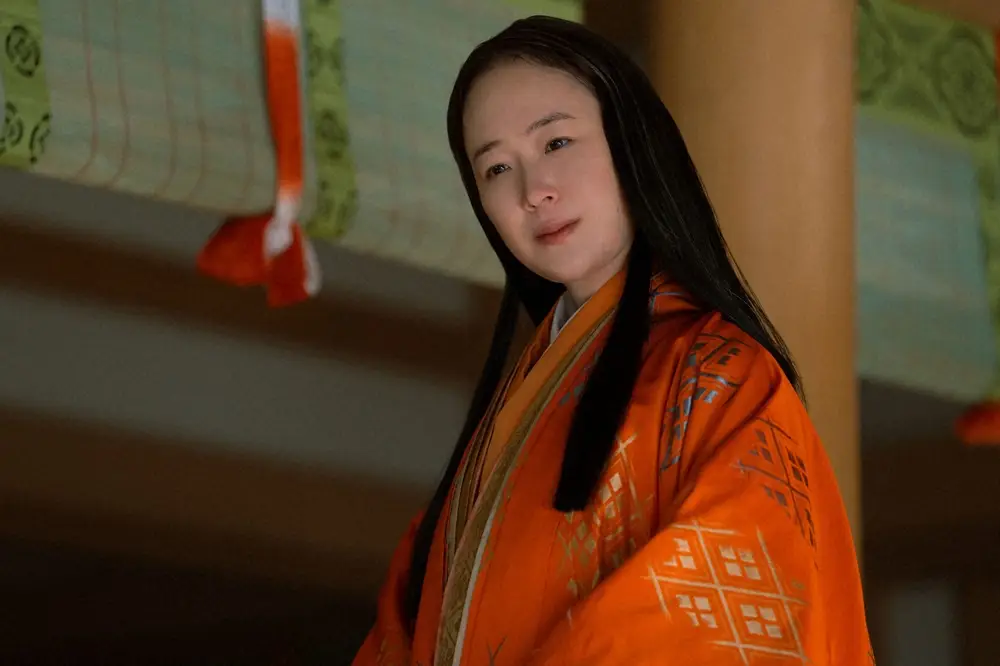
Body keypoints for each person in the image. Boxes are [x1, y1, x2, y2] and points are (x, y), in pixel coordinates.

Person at [353, 15, 872, 666]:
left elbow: (727, 614)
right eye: (496, 168)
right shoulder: (506, 423)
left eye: (556, 142)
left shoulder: (723, 377)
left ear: (631, 139)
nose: (533, 191)